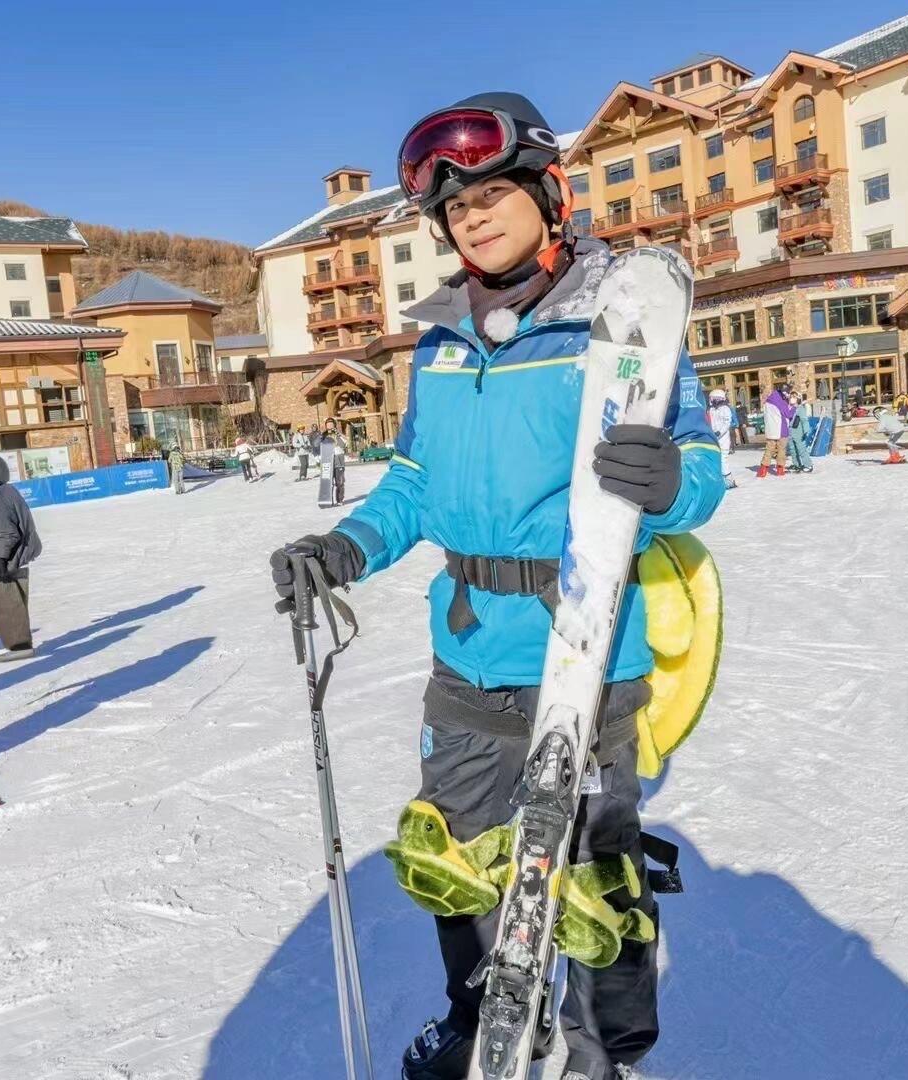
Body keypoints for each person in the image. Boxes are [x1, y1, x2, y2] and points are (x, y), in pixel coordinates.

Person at [269, 90, 723, 1080]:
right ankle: (480, 1023)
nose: (471, 216)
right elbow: (414, 482)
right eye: (454, 206)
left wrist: (671, 483)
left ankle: (608, 1052)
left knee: (599, 880)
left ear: (549, 193)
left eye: (490, 194)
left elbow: (697, 465)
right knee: (455, 860)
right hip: (468, 654)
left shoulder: (617, 319)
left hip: (586, 649)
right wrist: (344, 548)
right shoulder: (440, 342)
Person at [0, 454, 42, 660]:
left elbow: (7, 533)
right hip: (11, 560)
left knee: (5, 606)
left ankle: (19, 647)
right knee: (11, 605)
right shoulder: (2, 493)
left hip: (7, 563)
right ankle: (18, 644)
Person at [757, 383, 792, 478]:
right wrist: (794, 406)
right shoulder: (781, 401)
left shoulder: (770, 399)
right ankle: (780, 469)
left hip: (771, 429)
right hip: (781, 428)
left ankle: (763, 470)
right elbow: (788, 414)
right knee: (781, 449)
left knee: (769, 449)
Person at [707, 389, 736, 489]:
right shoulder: (711, 410)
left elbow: (727, 423)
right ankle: (718, 479)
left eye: (712, 399)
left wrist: (719, 432)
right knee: (715, 458)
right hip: (713, 438)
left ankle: (729, 479)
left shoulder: (725, 409)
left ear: (718, 399)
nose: (711, 401)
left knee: (723, 458)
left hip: (723, 439)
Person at [787, 393, 815, 473]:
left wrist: (806, 431)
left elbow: (804, 420)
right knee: (792, 449)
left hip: (798, 431)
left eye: (794, 397)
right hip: (790, 431)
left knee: (801, 449)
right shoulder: (789, 408)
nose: (791, 399)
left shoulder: (800, 408)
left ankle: (808, 465)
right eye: (791, 397)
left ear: (798, 399)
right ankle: (797, 464)